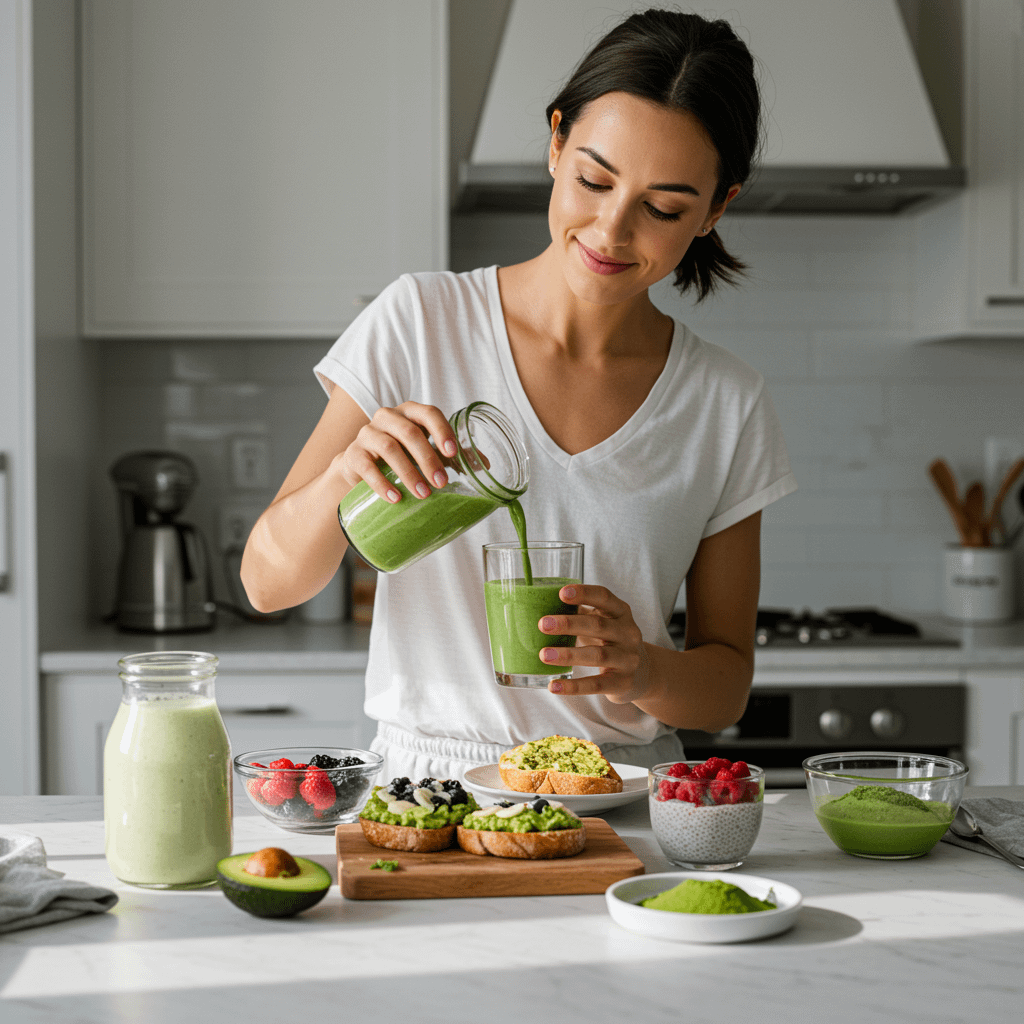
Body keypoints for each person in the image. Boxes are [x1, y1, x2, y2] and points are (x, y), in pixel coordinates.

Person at [240, 8, 796, 783]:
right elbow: (265, 585)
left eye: (663, 207)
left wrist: (643, 670)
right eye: (593, 180)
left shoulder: (725, 402)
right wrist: (343, 478)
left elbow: (726, 683)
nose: (610, 230)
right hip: (426, 787)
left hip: (617, 793)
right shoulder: (418, 322)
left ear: (716, 209)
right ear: (556, 142)